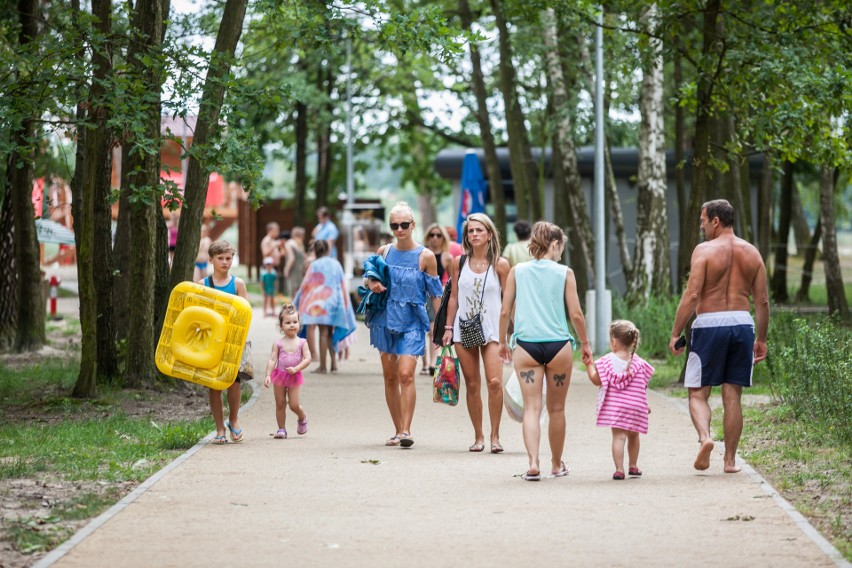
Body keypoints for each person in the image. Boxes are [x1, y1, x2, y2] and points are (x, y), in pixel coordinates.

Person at [669, 198, 769, 474]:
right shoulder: (753, 253)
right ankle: (730, 462)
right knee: (732, 395)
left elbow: (692, 296)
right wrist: (761, 338)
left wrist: (676, 332)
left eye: (703, 221)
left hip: (709, 325)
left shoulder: (704, 251)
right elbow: (762, 302)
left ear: (716, 221)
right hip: (742, 323)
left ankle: (705, 438)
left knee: (698, 394)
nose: (701, 226)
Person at [498, 221, 593, 481]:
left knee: (531, 407)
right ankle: (556, 464)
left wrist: (503, 342)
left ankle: (533, 462)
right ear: (554, 244)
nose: (561, 251)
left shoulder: (517, 271)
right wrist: (585, 344)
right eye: (561, 245)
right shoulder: (565, 273)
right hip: (558, 346)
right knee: (557, 409)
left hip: (526, 346)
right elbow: (575, 313)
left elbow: (505, 310)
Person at [362, 202, 443, 448]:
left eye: (404, 225)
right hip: (385, 321)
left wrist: (441, 328)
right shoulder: (384, 252)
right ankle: (397, 430)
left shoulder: (426, 256)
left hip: (413, 323)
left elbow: (436, 294)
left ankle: (406, 430)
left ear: (413, 225)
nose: (399, 229)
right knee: (390, 378)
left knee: (406, 374)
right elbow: (368, 278)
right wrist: (372, 284)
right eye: (395, 225)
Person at [442, 214, 510, 453]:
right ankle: (479, 436)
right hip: (464, 328)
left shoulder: (501, 264)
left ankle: (495, 436)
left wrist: (511, 334)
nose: (474, 235)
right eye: (471, 231)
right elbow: (453, 297)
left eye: (479, 230)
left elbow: (508, 302)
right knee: (472, 384)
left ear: (489, 234)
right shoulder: (458, 262)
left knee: (494, 382)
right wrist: (448, 328)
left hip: (492, 331)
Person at [586, 320, 655, 480]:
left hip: (617, 408)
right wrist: (645, 404)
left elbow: (597, 380)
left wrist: (589, 365)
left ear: (614, 341)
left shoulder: (606, 362)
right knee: (634, 436)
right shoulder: (640, 363)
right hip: (635, 407)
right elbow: (642, 386)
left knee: (619, 437)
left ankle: (619, 469)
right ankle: (633, 466)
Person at [198, 240, 250, 445]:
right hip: (212, 343)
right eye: (220, 258)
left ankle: (233, 420)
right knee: (214, 385)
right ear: (211, 259)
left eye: (229, 258)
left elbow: (245, 313)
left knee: (234, 383)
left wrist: (241, 339)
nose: (225, 262)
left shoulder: (238, 284)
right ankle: (219, 428)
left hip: (233, 342)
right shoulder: (204, 285)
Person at [294, 239, 357, 374]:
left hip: (320, 303)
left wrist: (297, 301)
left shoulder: (314, 265)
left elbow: (305, 285)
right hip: (335, 302)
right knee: (330, 333)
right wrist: (345, 304)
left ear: (315, 251)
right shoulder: (336, 264)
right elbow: (342, 283)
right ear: (328, 250)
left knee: (323, 333)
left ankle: (322, 366)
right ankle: (333, 364)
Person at [264, 303, 311, 439]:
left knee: (293, 404)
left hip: (294, 376)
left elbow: (308, 359)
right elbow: (272, 359)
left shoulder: (302, 342)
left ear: (299, 324)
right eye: (288, 322)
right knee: (280, 403)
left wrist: (297, 368)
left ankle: (302, 417)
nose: (292, 325)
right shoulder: (278, 343)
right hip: (279, 375)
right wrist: (268, 375)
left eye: (295, 322)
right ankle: (281, 429)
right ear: (281, 326)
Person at [422, 223, 453, 376]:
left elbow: (454, 280)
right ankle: (425, 363)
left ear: (443, 238)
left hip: (437, 295)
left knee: (434, 329)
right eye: (432, 235)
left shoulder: (447, 257)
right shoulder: (422, 254)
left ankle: (433, 362)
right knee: (423, 330)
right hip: (422, 295)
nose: (435, 238)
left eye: (438, 235)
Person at [283, 227, 307, 299]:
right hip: (301, 270)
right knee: (299, 293)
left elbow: (291, 258)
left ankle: (293, 309)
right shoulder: (301, 245)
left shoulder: (289, 243)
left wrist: (286, 269)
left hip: (293, 270)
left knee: (292, 293)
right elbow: (304, 258)